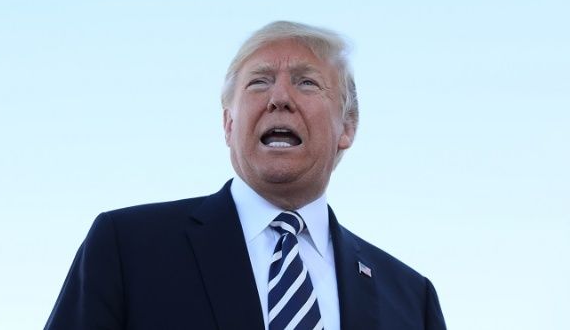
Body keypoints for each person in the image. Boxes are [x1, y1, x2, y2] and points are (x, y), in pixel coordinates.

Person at [45, 21, 446, 330]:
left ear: (348, 127)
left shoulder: (410, 298)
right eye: (259, 82)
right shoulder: (127, 248)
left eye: (306, 82)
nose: (280, 98)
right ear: (227, 123)